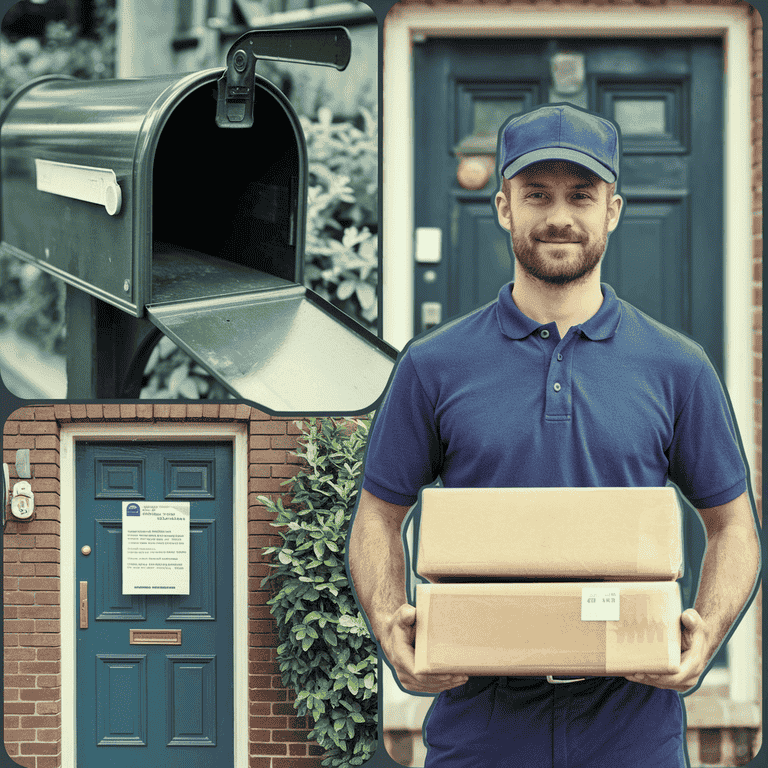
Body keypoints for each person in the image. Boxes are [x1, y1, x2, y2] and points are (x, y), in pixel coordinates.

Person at [347, 104, 760, 767]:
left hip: (632, 723)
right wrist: (391, 629)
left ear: (613, 210)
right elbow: (377, 518)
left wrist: (707, 633)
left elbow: (733, 526)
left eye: (582, 195)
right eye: (537, 194)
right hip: (482, 721)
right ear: (505, 208)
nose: (560, 216)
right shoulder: (433, 366)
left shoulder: (677, 367)